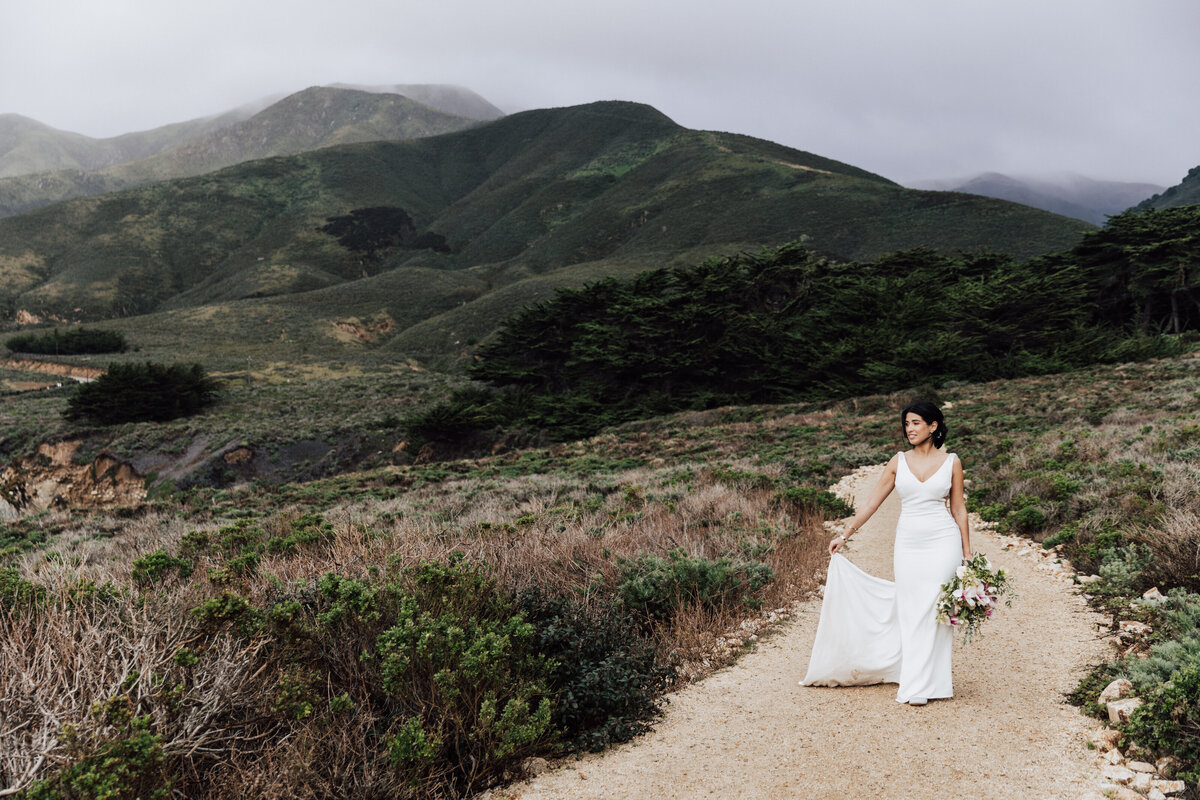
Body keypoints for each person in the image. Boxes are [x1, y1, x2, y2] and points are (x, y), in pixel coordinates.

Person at [799, 400, 971, 705]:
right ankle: (915, 676)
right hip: (908, 544)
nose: (910, 429)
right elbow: (871, 503)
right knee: (911, 608)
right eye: (906, 424)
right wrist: (845, 534)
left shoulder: (952, 462)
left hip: (943, 542)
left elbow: (958, 508)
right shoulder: (898, 461)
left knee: (935, 608)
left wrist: (967, 553)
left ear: (933, 426)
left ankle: (929, 685)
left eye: (916, 423)